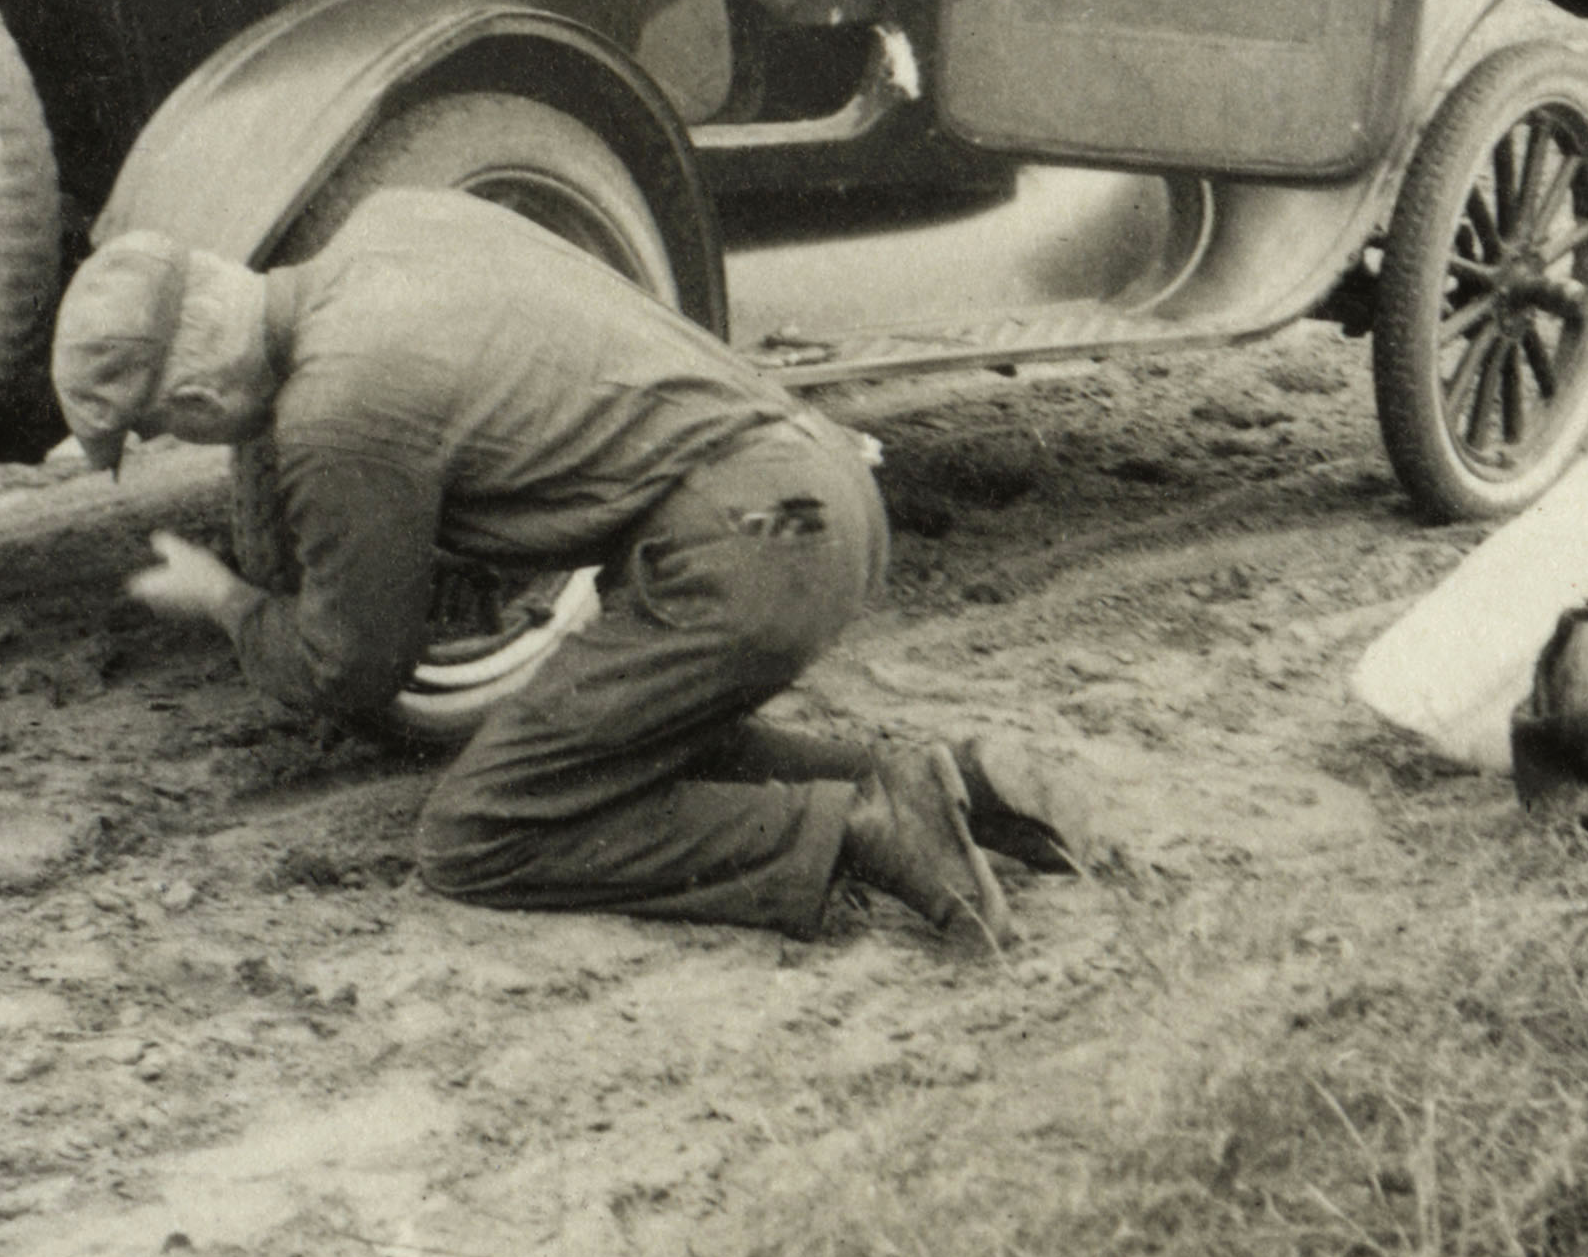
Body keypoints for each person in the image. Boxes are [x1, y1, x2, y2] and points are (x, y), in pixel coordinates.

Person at [51, 187, 1037, 948]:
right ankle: (941, 786)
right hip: (815, 496)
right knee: (612, 746)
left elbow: (351, 665)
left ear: (192, 397)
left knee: (479, 832)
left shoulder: (337, 413)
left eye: (160, 424)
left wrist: (225, 601)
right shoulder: (396, 221)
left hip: (747, 546)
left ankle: (857, 826)